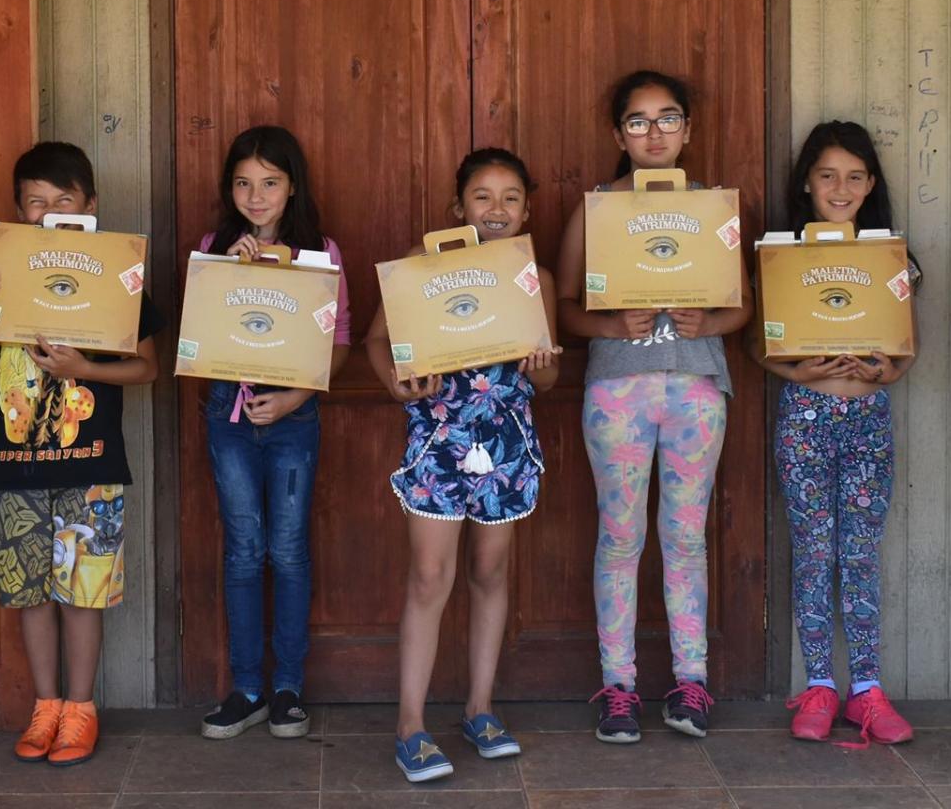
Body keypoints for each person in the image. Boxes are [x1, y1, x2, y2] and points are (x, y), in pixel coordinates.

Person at [553, 70, 752, 743]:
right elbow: (563, 307)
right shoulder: (598, 205)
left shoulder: (711, 206)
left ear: (688, 129)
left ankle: (690, 684)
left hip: (696, 386)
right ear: (619, 134)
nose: (655, 132)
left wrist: (710, 322)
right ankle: (619, 686)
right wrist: (610, 326)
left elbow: (743, 307)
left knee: (685, 538)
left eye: (668, 119)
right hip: (618, 389)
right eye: (638, 122)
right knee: (620, 537)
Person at [0, 142, 161, 766]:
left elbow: (148, 367)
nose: (49, 213)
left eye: (63, 201)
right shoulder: (2, 279)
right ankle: (44, 707)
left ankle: (80, 710)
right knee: (30, 594)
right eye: (36, 203)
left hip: (92, 466)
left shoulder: (117, 281)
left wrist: (83, 370)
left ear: (90, 206)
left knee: (83, 591)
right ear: (19, 211)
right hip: (16, 469)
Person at [364, 148, 561, 782]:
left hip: (506, 444)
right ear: (458, 207)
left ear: (527, 209)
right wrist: (397, 383)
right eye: (483, 196)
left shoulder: (535, 276)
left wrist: (542, 363)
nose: (496, 209)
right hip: (438, 441)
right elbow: (375, 340)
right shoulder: (423, 269)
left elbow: (551, 374)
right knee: (429, 575)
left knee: (490, 570)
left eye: (511, 197)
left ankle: (480, 708)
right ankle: (411, 725)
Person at [755, 121, 915, 745]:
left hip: (868, 421)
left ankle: (867, 692)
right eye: (827, 176)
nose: (840, 188)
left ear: (871, 184)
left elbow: (908, 351)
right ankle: (820, 685)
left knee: (858, 554)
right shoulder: (783, 257)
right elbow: (758, 344)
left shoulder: (891, 257)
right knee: (814, 550)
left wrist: (886, 369)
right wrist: (797, 368)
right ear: (806, 184)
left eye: (854, 176)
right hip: (805, 418)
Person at [194, 125, 351, 740]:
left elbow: (338, 348)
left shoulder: (321, 253)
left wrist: (293, 398)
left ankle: (287, 686)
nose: (255, 197)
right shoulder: (215, 245)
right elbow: (198, 346)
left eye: (270, 183)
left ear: (293, 187)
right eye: (242, 183)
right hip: (228, 418)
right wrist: (226, 278)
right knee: (242, 552)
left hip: (293, 421)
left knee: (286, 552)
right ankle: (246, 688)